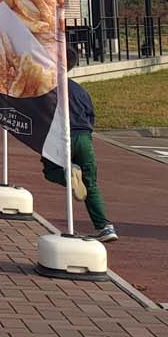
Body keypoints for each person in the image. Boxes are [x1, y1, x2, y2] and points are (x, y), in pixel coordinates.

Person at [41, 79, 116, 241]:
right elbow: (91, 115)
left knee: (51, 170)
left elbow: (42, 115)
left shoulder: (48, 89)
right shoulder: (79, 89)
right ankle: (105, 227)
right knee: (91, 183)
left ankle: (68, 175)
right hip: (84, 137)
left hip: (60, 136)